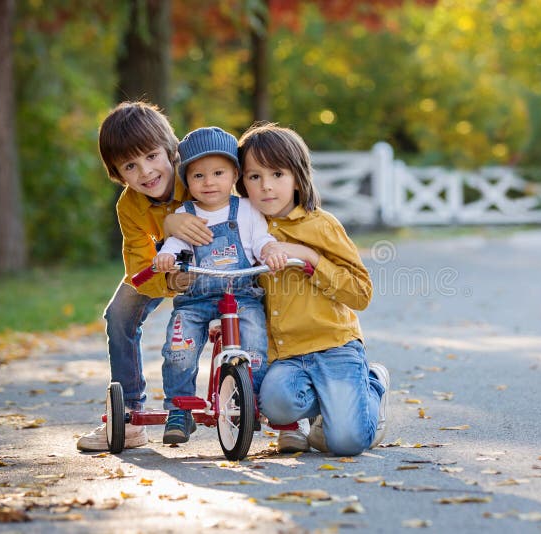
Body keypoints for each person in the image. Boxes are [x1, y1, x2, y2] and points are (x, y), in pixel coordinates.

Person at [239, 123, 390, 456]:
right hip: (287, 355)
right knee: (274, 407)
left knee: (346, 444)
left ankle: (373, 385)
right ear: (242, 181)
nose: (266, 187)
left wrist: (310, 257)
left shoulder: (321, 225)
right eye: (254, 177)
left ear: (297, 177)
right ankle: (335, 406)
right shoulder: (244, 229)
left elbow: (361, 293)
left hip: (333, 345)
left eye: (277, 174)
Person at [76, 101, 213, 452]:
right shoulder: (129, 206)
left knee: (261, 301)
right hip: (161, 268)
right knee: (119, 313)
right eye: (130, 166)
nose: (146, 172)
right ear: (118, 175)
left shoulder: (197, 175)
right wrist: (169, 282)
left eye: (152, 156)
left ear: (171, 150)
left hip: (217, 258)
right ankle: (130, 414)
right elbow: (138, 265)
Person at [151, 126, 277, 444]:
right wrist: (167, 257)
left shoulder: (247, 210)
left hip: (241, 293)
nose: (209, 183)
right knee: (180, 347)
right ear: (187, 180)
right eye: (198, 176)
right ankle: (180, 408)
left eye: (218, 172)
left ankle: (251, 400)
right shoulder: (185, 213)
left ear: (234, 173)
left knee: (255, 345)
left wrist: (270, 250)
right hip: (196, 297)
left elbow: (261, 239)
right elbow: (175, 245)